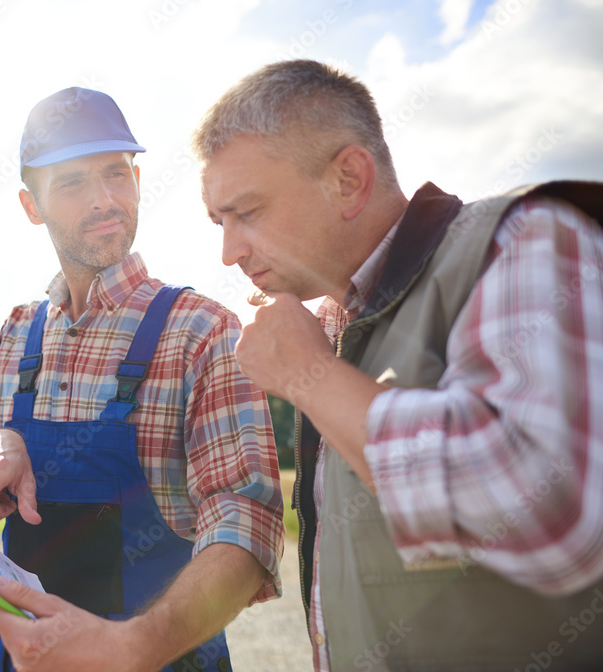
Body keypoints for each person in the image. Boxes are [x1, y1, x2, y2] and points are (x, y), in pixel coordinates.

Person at [192, 59, 603, 672]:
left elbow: (555, 509)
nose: (230, 252)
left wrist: (311, 375)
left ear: (349, 179)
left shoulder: (524, 238)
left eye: (247, 212)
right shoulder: (333, 324)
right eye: (219, 221)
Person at [0, 87, 285, 672]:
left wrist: (131, 650)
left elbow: (247, 520)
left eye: (115, 173)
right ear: (32, 205)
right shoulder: (17, 333)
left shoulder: (198, 331)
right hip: (16, 657)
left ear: (138, 179)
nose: (104, 200)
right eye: (72, 183)